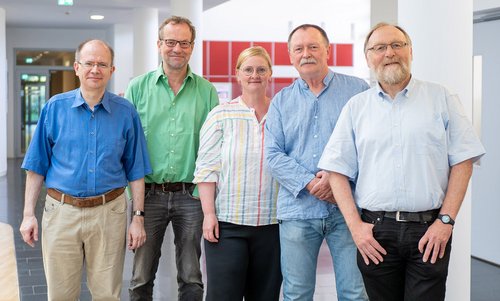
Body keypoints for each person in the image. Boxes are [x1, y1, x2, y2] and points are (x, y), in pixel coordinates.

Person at [319, 22, 486, 301]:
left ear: (411, 51)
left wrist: (446, 221)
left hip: (429, 231)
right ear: (368, 57)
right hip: (375, 233)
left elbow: (463, 160)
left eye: (397, 45)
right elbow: (336, 171)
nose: (389, 53)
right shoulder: (356, 107)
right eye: (379, 47)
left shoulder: (441, 97)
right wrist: (355, 227)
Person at [19, 39, 151, 301]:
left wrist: (138, 218)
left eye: (102, 64)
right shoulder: (54, 108)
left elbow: (136, 170)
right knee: (60, 295)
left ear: (112, 71)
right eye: (89, 63)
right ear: (77, 68)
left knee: (107, 295)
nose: (95, 69)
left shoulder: (126, 113)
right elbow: (36, 166)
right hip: (61, 213)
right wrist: (27, 215)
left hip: (109, 214)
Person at [265, 24, 369, 301]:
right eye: (299, 49)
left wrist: (337, 180)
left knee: (355, 292)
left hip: (348, 210)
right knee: (296, 293)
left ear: (327, 50)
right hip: (298, 211)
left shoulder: (358, 91)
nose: (306, 54)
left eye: (313, 47)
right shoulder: (281, 101)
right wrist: (311, 182)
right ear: (290, 56)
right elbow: (273, 155)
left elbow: (369, 146)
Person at [125, 15, 219, 301]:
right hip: (148, 196)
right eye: (170, 42)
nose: (176, 48)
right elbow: (128, 145)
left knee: (192, 277)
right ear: (159, 44)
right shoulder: (137, 88)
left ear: (192, 47)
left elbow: (214, 148)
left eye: (183, 43)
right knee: (141, 277)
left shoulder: (206, 91)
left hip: (190, 195)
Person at [194, 46, 282, 301]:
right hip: (228, 225)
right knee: (223, 296)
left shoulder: (281, 114)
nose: (255, 75)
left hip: (273, 225)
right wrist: (209, 214)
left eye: (261, 69)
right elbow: (206, 170)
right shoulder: (221, 115)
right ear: (238, 74)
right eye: (248, 69)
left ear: (269, 74)